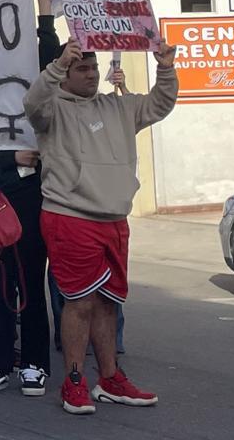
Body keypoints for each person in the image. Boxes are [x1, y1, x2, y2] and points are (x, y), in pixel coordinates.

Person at [26, 36, 177, 416]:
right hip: (70, 216)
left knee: (109, 302)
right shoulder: (52, 109)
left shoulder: (119, 106)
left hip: (114, 218)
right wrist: (58, 64)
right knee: (78, 303)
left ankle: (109, 379)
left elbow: (160, 103)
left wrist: (165, 66)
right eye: (82, 68)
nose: (91, 74)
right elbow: (33, 102)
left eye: (94, 68)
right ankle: (74, 380)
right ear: (65, 75)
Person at [0, 0, 62, 399]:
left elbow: (52, 64)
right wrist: (10, 160)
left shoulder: (32, 78)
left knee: (29, 277)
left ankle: (34, 362)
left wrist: (44, 10)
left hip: (30, 196)